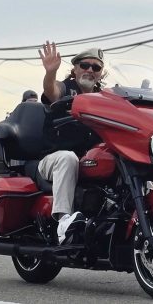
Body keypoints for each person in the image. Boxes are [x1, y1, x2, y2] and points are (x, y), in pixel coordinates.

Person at [36, 41, 106, 244]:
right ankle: (64, 221)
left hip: (87, 160)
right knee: (68, 158)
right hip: (52, 159)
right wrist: (50, 73)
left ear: (101, 72)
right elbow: (52, 90)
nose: (90, 70)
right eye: (85, 65)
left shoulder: (104, 97)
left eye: (96, 67)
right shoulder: (67, 89)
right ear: (75, 68)